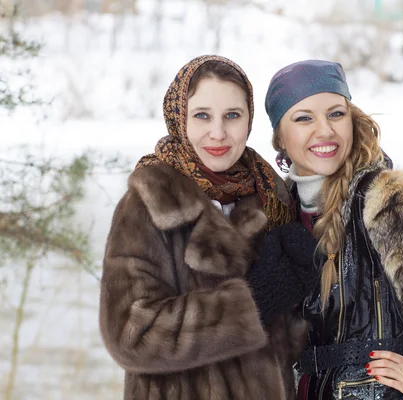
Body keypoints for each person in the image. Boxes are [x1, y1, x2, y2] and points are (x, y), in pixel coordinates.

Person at [99, 55, 319, 400]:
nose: (218, 133)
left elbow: (288, 340)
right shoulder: (149, 202)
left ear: (249, 120)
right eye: (202, 115)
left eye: (232, 115)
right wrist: (251, 303)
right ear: (179, 118)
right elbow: (131, 334)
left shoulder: (269, 194)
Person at [264, 60, 403, 400]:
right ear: (280, 135)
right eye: (304, 117)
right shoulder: (281, 210)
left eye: (336, 114)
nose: (324, 130)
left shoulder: (380, 198)